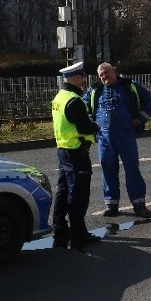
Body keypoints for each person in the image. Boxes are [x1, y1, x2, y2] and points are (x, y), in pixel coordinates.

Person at [87, 62, 151, 219]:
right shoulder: (95, 90)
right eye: (101, 75)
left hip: (126, 137)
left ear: (114, 71)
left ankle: (139, 205)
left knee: (132, 170)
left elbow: (149, 102)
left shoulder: (130, 86)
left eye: (106, 73)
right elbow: (85, 108)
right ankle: (111, 205)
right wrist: (92, 124)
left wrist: (139, 119)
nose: (104, 77)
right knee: (107, 170)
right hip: (104, 139)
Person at [51, 61, 101, 250]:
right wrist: (95, 126)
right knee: (78, 195)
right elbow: (84, 127)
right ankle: (79, 234)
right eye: (81, 78)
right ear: (74, 78)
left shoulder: (60, 97)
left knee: (63, 193)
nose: (83, 81)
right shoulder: (74, 100)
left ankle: (60, 229)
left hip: (63, 150)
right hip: (76, 152)